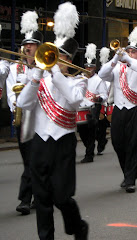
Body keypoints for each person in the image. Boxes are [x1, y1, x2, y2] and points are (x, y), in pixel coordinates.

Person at [16, 2, 88, 239]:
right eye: (54, 57)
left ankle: (78, 227)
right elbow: (24, 104)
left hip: (63, 144)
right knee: (43, 198)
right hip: (40, 143)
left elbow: (74, 101)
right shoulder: (41, 80)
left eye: (61, 58)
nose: (56, 61)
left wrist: (56, 72)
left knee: (61, 197)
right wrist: (36, 75)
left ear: (69, 60)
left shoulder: (77, 81)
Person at [98, 26, 137, 193]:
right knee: (117, 142)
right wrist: (115, 58)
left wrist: (130, 60)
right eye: (128, 51)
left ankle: (130, 179)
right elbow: (102, 74)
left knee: (132, 144)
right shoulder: (117, 68)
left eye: (133, 51)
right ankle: (131, 172)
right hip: (120, 109)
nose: (130, 54)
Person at [6, 11, 44, 215]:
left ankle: (27, 198)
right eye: (26, 44)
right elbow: (12, 93)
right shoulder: (15, 68)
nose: (27, 47)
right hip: (24, 118)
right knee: (29, 160)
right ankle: (33, 196)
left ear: (39, 47)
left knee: (36, 160)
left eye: (32, 44)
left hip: (42, 119)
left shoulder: (45, 68)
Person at [77, 43, 108, 163]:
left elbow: (104, 95)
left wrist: (98, 98)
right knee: (81, 131)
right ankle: (90, 147)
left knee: (90, 131)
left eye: (90, 68)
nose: (87, 69)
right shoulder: (79, 78)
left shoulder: (99, 80)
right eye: (86, 67)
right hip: (81, 108)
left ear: (94, 68)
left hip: (93, 108)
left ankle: (89, 154)